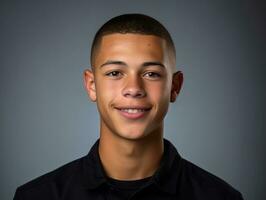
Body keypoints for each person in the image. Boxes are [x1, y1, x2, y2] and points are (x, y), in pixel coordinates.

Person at [14, 13, 243, 200]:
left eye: (151, 74)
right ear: (92, 85)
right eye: (115, 73)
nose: (133, 88)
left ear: (174, 86)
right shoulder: (36, 196)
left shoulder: (221, 197)